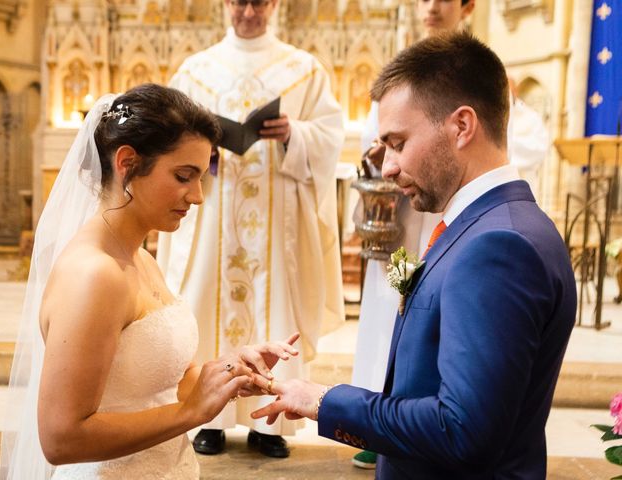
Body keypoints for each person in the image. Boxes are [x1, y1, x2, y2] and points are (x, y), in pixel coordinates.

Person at [251, 32, 577, 479]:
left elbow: (461, 430)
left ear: (462, 126)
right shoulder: (492, 224)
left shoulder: (498, 247)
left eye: (399, 143)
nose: (385, 166)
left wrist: (326, 402)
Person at [0, 83, 299, 480]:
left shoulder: (140, 257)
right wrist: (190, 414)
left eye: (201, 177)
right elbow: (61, 438)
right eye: (183, 176)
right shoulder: (94, 275)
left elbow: (161, 379)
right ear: (127, 162)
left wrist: (229, 373)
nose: (197, 197)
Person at [156, 0, 345, 458]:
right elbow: (166, 136)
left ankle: (270, 423)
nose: (248, 11)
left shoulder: (303, 70)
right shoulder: (195, 72)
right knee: (203, 311)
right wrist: (201, 153)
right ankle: (209, 417)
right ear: (225, 3)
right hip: (209, 219)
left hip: (276, 234)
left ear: (275, 4)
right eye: (239, 1)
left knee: (273, 313)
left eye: (259, 1)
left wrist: (294, 134)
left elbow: (330, 136)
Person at [350, 0, 475, 469]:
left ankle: (421, 414)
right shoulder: (399, 73)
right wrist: (381, 157)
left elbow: (514, 135)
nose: (430, 6)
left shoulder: (481, 68)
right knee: (388, 309)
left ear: (467, 6)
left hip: (452, 210)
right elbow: (376, 137)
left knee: (440, 310)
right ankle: (375, 416)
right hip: (401, 219)